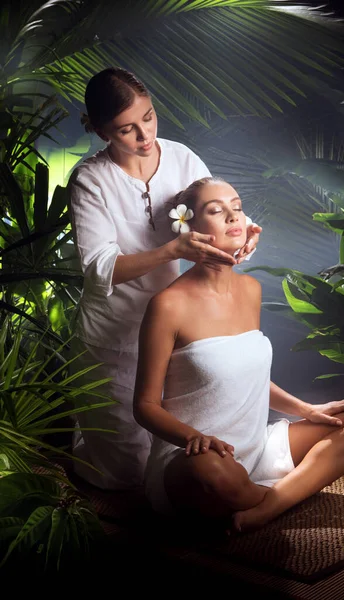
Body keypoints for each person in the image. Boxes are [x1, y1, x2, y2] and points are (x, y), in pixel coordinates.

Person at [133, 176, 344, 533]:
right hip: (196, 461)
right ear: (189, 228)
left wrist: (308, 410)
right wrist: (192, 438)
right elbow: (145, 406)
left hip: (258, 447)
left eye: (236, 207)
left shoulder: (250, 290)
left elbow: (246, 377)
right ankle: (281, 495)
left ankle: (267, 506)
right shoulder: (168, 306)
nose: (233, 217)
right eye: (216, 210)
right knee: (211, 472)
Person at [67, 67, 261, 490]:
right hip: (115, 335)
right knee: (125, 476)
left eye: (149, 117)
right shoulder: (90, 180)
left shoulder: (182, 157)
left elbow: (213, 204)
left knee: (176, 466)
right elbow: (100, 268)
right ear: (102, 132)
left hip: (176, 332)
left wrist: (244, 236)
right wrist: (172, 250)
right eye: (126, 130)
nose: (144, 135)